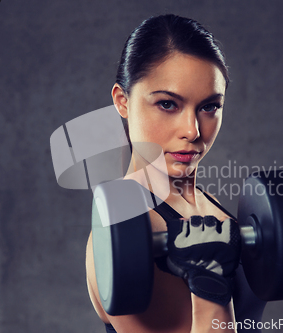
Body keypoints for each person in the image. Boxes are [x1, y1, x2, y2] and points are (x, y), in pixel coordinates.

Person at [86, 14, 266, 333]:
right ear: (122, 102)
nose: (192, 130)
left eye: (209, 106)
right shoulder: (120, 233)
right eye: (168, 104)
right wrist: (212, 287)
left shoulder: (205, 204)